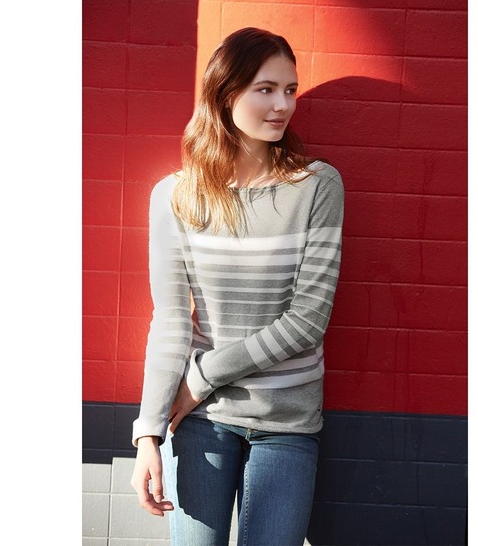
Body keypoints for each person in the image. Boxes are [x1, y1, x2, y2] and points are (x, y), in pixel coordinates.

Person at [130, 27, 344, 546]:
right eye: (265, 89)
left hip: (286, 423)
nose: (283, 105)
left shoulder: (316, 187)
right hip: (202, 422)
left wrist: (201, 377)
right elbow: (171, 321)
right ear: (225, 94)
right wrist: (148, 433)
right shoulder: (175, 197)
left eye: (290, 90)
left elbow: (307, 322)